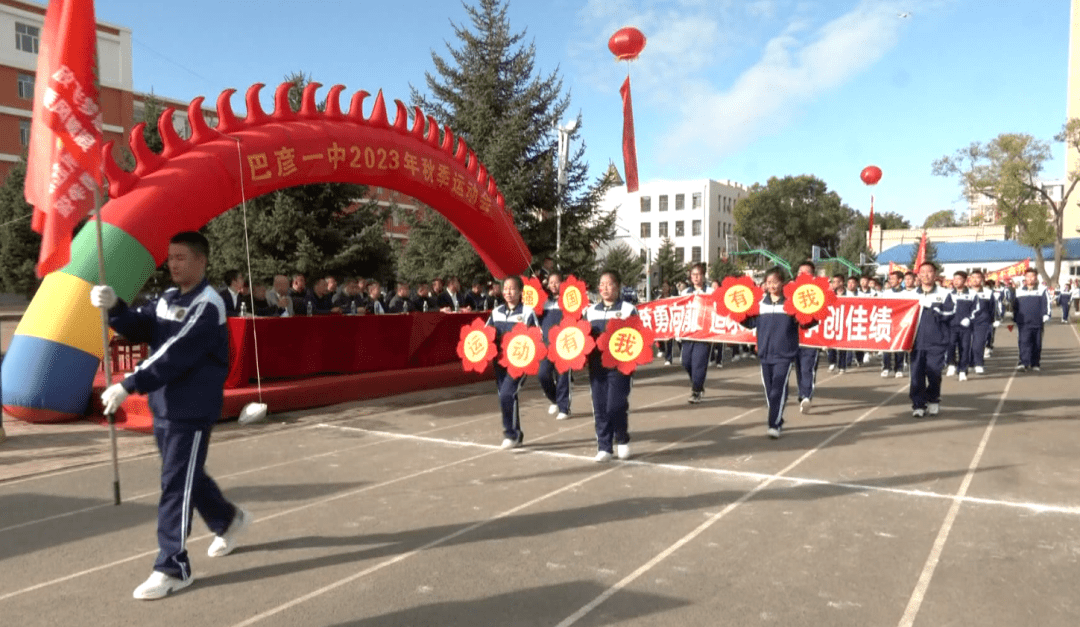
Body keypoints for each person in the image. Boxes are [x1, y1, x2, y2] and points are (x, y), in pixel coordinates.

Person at [89, 231, 250, 600]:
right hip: (165, 406)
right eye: (171, 257)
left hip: (191, 409)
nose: (173, 264)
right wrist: (114, 306)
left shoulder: (209, 305)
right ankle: (227, 519)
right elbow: (144, 327)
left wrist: (130, 384)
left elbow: (176, 353)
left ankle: (172, 566)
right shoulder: (168, 297)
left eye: (181, 257)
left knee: (175, 483)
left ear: (201, 261)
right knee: (185, 474)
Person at [739, 267, 815, 439]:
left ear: (782, 283)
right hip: (765, 354)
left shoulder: (791, 304)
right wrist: (739, 315)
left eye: (775, 282)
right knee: (770, 392)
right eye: (768, 282)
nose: (771, 285)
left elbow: (803, 323)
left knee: (777, 390)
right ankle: (778, 417)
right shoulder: (760, 304)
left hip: (785, 355)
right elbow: (751, 323)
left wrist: (814, 318)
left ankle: (773, 424)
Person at [584, 270, 637, 462]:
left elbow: (637, 336)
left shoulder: (628, 309)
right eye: (602, 284)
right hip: (597, 366)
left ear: (618, 287)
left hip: (620, 366)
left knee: (615, 405)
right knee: (599, 406)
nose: (605, 288)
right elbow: (581, 337)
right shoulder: (590, 311)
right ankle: (604, 446)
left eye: (609, 284)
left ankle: (622, 438)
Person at [485, 276, 538, 449]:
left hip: (519, 363)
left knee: (508, 394)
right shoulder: (496, 312)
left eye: (512, 288)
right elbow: (485, 334)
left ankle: (510, 434)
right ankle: (516, 433)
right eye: (505, 288)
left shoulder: (527, 312)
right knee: (506, 397)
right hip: (499, 362)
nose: (508, 292)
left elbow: (537, 336)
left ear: (521, 291)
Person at [909, 262, 957, 418]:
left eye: (929, 272)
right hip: (915, 342)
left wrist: (935, 309)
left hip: (937, 341)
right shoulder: (910, 295)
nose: (926, 274)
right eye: (922, 272)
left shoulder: (944, 294)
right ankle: (918, 405)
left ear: (935, 275)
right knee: (916, 374)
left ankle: (933, 399)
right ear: (918, 275)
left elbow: (951, 313)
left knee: (934, 373)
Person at [537, 271, 572, 420]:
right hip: (546, 345)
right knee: (543, 374)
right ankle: (555, 400)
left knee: (563, 376)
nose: (553, 285)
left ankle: (564, 408)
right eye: (550, 282)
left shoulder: (569, 301)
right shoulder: (543, 302)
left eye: (556, 282)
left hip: (564, 345)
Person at [680, 263, 712, 404]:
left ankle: (696, 391)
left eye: (698, 274)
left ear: (703, 276)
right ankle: (698, 384)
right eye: (693, 275)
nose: (696, 277)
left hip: (704, 334)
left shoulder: (710, 292)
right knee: (686, 362)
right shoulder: (685, 293)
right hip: (688, 333)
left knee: (699, 363)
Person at [792, 261, 820, 413]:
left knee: (807, 368)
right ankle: (802, 394)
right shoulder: (791, 291)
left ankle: (806, 396)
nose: (803, 275)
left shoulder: (820, 293)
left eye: (806, 272)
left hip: (812, 337)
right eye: (800, 272)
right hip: (794, 337)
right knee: (798, 368)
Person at [1012, 268, 1051, 372]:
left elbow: (1046, 303)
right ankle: (1023, 363)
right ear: (1025, 278)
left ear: (1036, 277)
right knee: (1023, 342)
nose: (1030, 278)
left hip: (1037, 321)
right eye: (1028, 276)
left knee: (1036, 343)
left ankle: (1035, 363)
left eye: (1032, 276)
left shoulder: (1042, 290)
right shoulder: (1019, 291)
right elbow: (1015, 306)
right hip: (1023, 322)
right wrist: (1015, 317)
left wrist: (1046, 314)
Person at [945, 271, 979, 382]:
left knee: (964, 348)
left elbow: (976, 309)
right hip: (952, 326)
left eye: (959, 279)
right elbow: (946, 309)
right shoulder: (950, 294)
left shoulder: (972, 294)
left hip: (965, 328)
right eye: (954, 279)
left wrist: (969, 319)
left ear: (965, 280)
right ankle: (951, 364)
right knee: (950, 346)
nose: (956, 281)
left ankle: (963, 370)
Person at [967, 270, 1000, 374]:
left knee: (979, 343)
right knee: (968, 344)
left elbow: (993, 308)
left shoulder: (988, 292)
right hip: (967, 322)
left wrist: (994, 320)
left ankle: (979, 364)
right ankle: (970, 363)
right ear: (969, 279)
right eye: (973, 277)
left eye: (978, 277)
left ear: (982, 279)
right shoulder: (965, 292)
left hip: (982, 322)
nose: (975, 279)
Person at [881, 270, 908, 378]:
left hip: (901, 324)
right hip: (888, 322)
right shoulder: (886, 293)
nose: (890, 281)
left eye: (893, 278)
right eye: (890, 278)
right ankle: (886, 367)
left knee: (899, 346)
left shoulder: (906, 294)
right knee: (886, 346)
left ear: (900, 280)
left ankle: (899, 368)